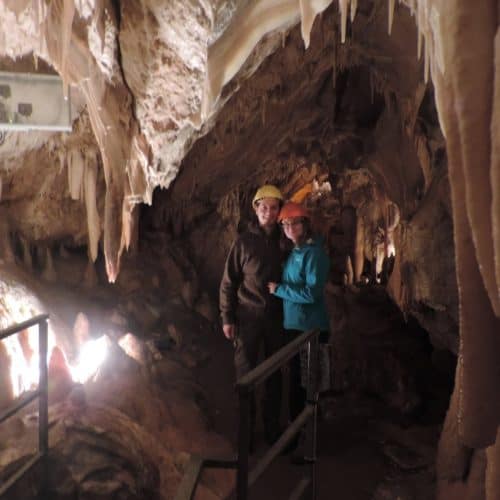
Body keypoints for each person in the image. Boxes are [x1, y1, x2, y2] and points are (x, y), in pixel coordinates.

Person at [219, 184, 285, 449]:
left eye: (273, 208)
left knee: (275, 377)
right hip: (247, 318)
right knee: (245, 378)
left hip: (276, 319)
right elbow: (228, 282)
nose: (268, 212)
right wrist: (227, 317)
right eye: (264, 207)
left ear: (280, 211)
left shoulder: (285, 241)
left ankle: (272, 431)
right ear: (256, 210)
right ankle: (245, 435)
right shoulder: (244, 242)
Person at [267, 202, 330, 452]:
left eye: (295, 223)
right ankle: (298, 437)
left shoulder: (314, 254)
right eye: (285, 224)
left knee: (307, 386)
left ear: (305, 225)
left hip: (311, 330)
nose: (289, 227)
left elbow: (312, 293)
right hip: (294, 328)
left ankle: (307, 442)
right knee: (295, 385)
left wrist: (279, 290)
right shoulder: (294, 253)